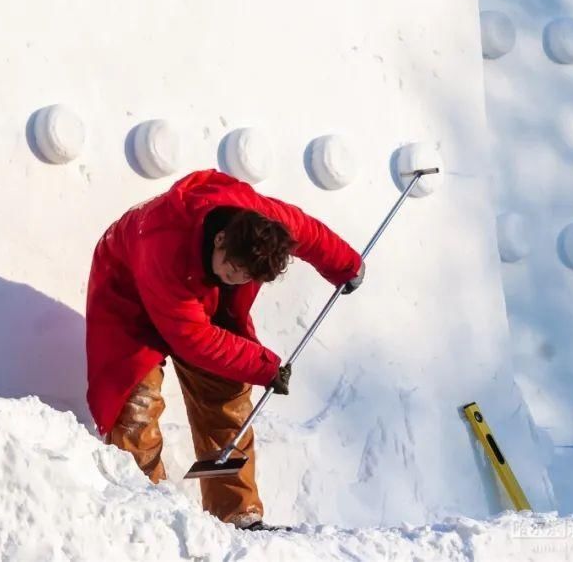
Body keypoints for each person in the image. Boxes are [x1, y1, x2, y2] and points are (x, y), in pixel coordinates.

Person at [85, 169, 364, 530]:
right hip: (129, 296)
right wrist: (264, 365)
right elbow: (194, 339)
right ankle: (144, 508)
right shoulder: (163, 243)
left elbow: (307, 234)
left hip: (196, 297)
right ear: (219, 240)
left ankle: (238, 514)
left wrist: (346, 265)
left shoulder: (262, 224)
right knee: (135, 404)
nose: (235, 280)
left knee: (226, 396)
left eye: (244, 278)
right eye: (231, 271)